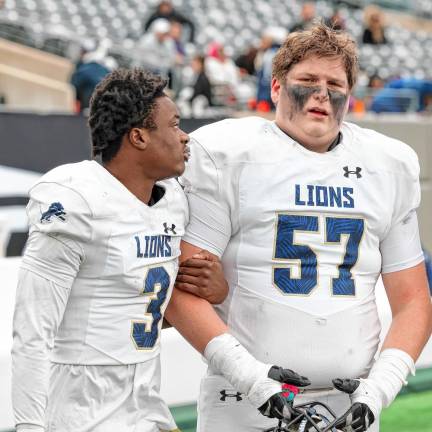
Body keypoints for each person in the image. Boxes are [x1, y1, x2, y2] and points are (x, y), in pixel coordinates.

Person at [165, 23, 432, 432]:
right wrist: (252, 381)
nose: (321, 94)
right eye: (307, 81)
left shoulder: (387, 165)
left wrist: (380, 388)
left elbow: (413, 300)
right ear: (275, 87)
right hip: (243, 401)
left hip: (350, 405)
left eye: (334, 84)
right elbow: (182, 289)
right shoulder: (227, 153)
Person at [11, 68, 223, 432]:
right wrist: (29, 426)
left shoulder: (171, 199)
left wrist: (216, 289)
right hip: (84, 409)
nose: (184, 137)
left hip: (144, 400)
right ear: (138, 136)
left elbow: (138, 308)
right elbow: (32, 333)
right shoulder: (77, 199)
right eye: (173, 125)